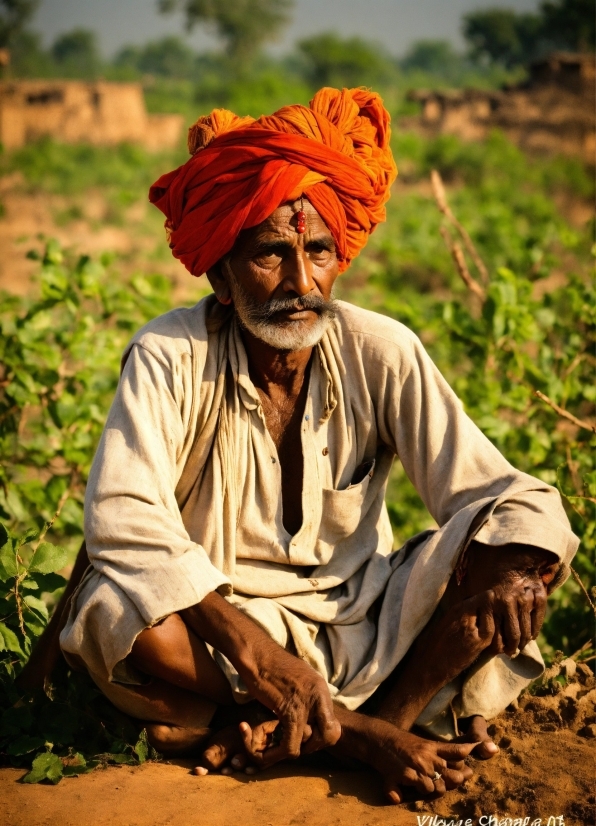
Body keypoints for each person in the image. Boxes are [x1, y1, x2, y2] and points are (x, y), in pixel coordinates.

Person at [54, 88, 576, 804]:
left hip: (368, 620)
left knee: (510, 555)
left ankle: (314, 728)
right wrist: (258, 655)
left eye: (319, 252)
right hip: (228, 630)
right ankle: (365, 737)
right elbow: (121, 516)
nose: (302, 284)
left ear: (339, 258)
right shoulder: (169, 353)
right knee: (122, 617)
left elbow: (499, 491)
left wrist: (521, 563)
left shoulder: (381, 350)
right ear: (222, 276)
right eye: (271, 254)